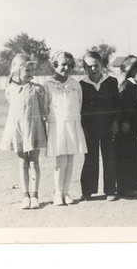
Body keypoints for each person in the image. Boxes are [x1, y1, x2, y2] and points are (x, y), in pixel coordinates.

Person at [0, 53, 48, 209]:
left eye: (32, 70)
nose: (31, 74)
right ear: (17, 71)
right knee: (22, 162)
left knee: (34, 162)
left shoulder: (38, 89)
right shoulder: (10, 89)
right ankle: (25, 195)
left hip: (33, 129)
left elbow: (44, 111)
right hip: (17, 130)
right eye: (27, 70)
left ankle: (35, 195)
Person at [43, 51, 87, 206]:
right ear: (55, 65)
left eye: (69, 65)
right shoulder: (48, 85)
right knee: (60, 160)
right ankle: (58, 193)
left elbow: (79, 104)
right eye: (63, 64)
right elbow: (45, 106)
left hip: (73, 124)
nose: (66, 68)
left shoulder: (75, 84)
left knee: (70, 159)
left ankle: (66, 192)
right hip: (57, 126)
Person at [79, 51, 120, 201]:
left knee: (109, 157)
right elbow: (80, 109)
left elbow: (117, 104)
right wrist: (83, 127)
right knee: (90, 158)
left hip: (108, 126)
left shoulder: (111, 82)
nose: (93, 69)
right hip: (90, 129)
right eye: (89, 66)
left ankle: (110, 190)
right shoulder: (81, 85)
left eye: (96, 65)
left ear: (102, 65)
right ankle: (87, 191)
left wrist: (116, 121)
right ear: (84, 67)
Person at [115, 57, 137, 197]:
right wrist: (125, 121)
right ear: (132, 71)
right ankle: (124, 185)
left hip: (133, 125)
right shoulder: (126, 85)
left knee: (134, 154)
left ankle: (136, 182)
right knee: (126, 155)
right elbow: (123, 106)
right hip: (125, 126)